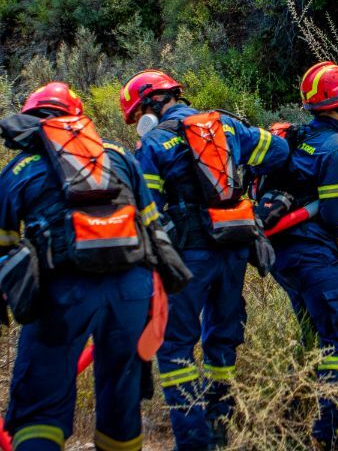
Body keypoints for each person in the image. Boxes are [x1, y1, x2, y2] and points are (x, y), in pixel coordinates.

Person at [0, 82, 189, 451]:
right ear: (78, 118)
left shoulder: (20, 167)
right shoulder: (116, 156)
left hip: (61, 293)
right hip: (132, 291)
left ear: (30, 119)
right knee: (121, 409)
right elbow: (156, 235)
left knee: (40, 411)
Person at [119, 70, 288, 450]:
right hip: (233, 249)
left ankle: (194, 442)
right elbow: (278, 152)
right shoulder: (225, 125)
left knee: (175, 348)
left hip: (187, 260)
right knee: (221, 339)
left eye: (138, 115)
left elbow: (148, 211)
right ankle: (218, 425)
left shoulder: (154, 144)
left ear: (150, 107)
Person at [259, 62, 338, 451]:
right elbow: (336, 213)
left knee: (314, 339)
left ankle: (289, 429)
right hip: (311, 256)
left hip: (283, 255)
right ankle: (331, 438)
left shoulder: (299, 137)